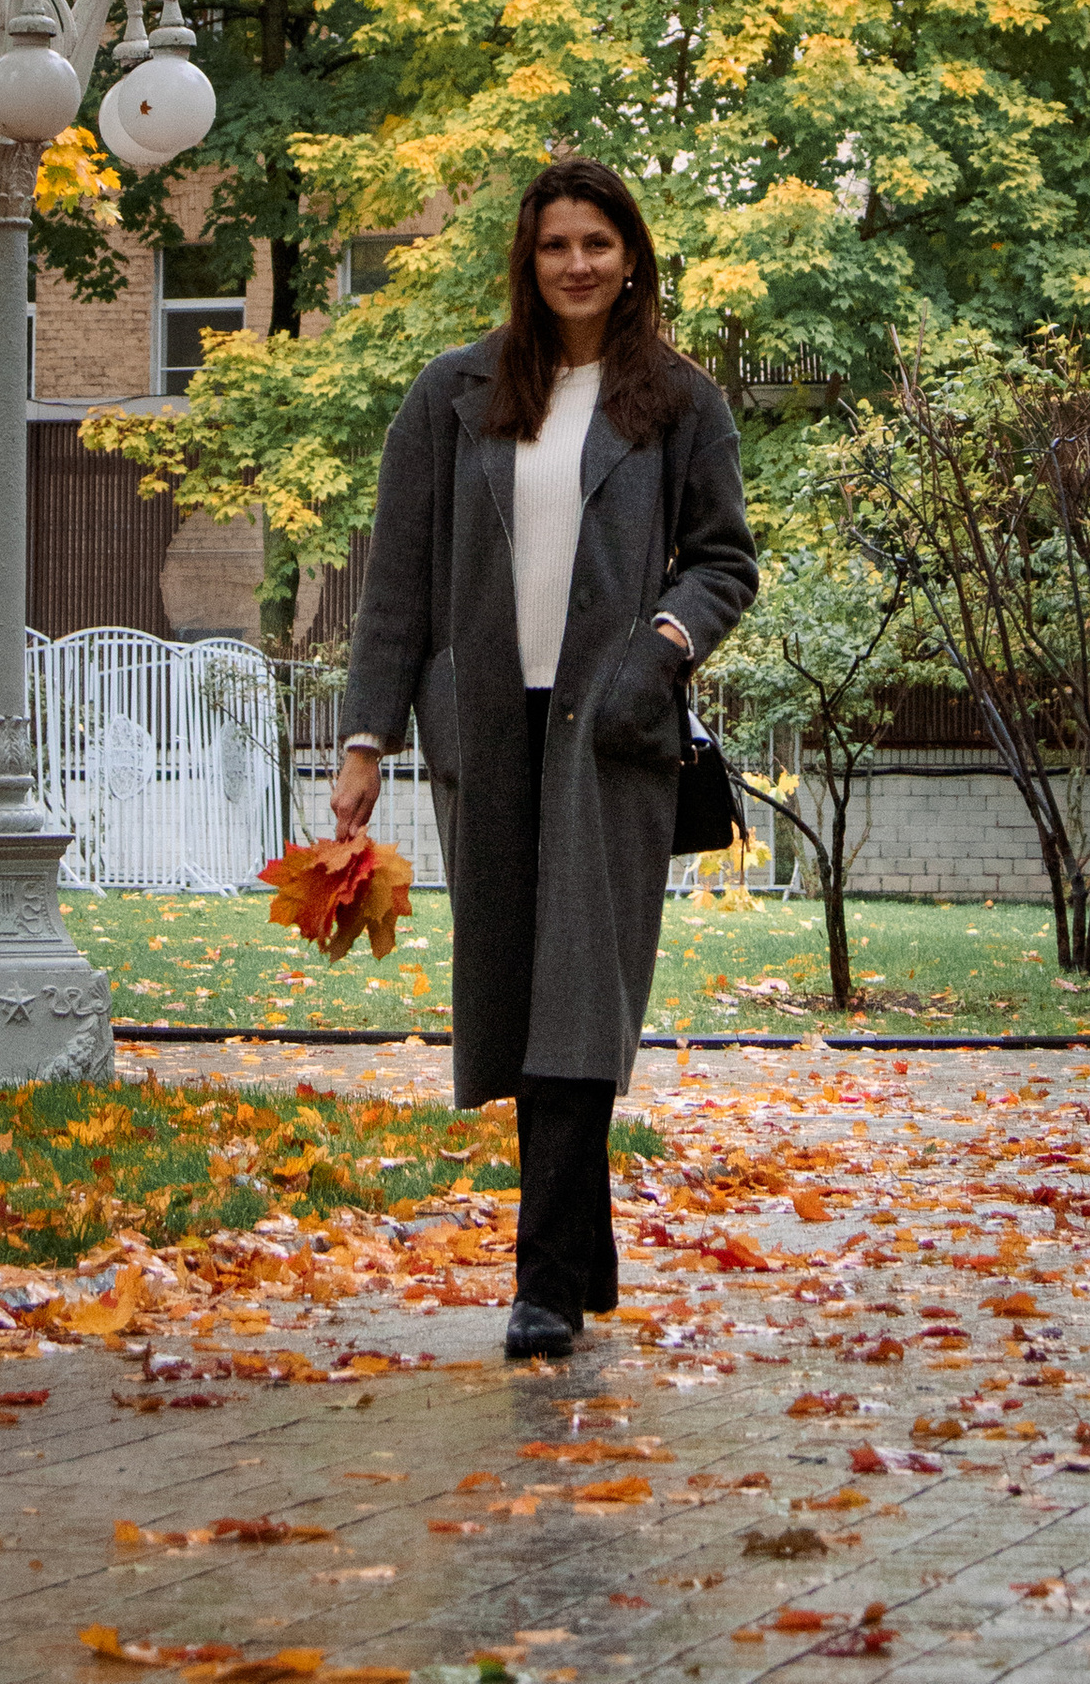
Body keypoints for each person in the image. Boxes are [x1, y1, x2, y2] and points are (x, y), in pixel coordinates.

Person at [331, 157, 759, 1360]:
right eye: (556, 244)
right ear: (527, 260)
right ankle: (575, 1258)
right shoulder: (452, 394)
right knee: (520, 993)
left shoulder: (678, 401)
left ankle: (545, 1287)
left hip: (608, 734)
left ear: (632, 260)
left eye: (599, 244)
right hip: (485, 735)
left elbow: (723, 560)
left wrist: (658, 649)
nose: (577, 264)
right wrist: (367, 740)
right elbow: (397, 585)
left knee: (582, 991)